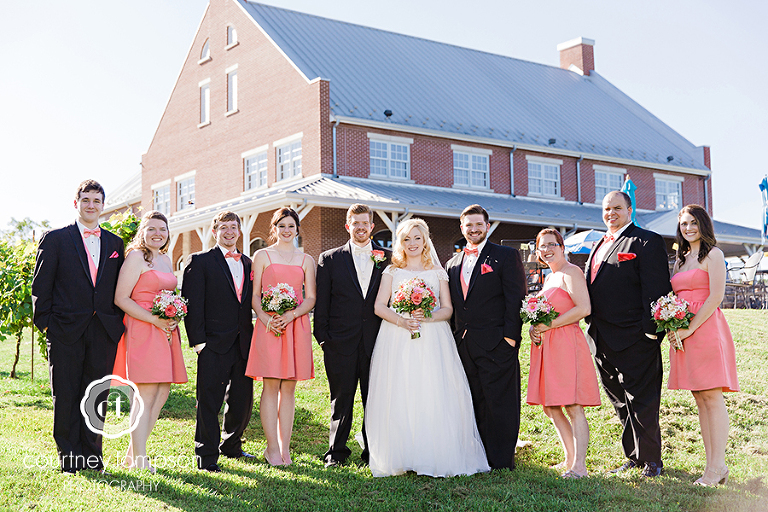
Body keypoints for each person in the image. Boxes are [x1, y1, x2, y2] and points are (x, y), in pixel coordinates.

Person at [367, 218, 490, 477]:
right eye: (406, 239)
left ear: (425, 241)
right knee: (402, 391)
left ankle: (433, 453)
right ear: (400, 243)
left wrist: (427, 317)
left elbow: (447, 309)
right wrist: (402, 320)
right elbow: (379, 306)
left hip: (433, 338)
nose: (412, 243)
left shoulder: (437, 272)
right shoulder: (391, 271)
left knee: (432, 390)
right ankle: (403, 453)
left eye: (417, 238)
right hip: (397, 338)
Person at [32, 179, 125, 474]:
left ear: (103, 205)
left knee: (96, 394)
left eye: (97, 201)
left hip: (103, 331)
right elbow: (40, 286)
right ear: (76, 203)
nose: (91, 205)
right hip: (65, 330)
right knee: (67, 392)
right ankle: (70, 456)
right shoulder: (56, 239)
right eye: (86, 200)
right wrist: (46, 324)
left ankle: (92, 455)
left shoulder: (114, 243)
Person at [585, 191, 672, 477]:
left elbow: (657, 289)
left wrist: (650, 334)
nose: (611, 213)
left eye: (617, 208)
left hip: (636, 338)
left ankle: (652, 460)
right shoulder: (599, 243)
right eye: (607, 208)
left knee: (643, 401)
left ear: (630, 209)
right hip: (602, 339)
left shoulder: (646, 241)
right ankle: (633, 456)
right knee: (620, 401)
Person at [445, 204, 527, 471]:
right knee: (473, 399)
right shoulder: (452, 263)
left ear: (487, 226)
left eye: (478, 224)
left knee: (500, 402)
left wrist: (510, 340)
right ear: (462, 228)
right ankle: (479, 455)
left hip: (497, 343)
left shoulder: (505, 256)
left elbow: (515, 299)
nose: (474, 229)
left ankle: (502, 460)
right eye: (468, 225)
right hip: (464, 345)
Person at [314, 204, 391, 467]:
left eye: (365, 223)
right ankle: (336, 453)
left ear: (371, 226)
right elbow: (322, 302)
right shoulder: (330, 258)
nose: (360, 228)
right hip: (339, 342)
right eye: (355, 223)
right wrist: (323, 338)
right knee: (341, 399)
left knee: (375, 398)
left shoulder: (388, 257)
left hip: (377, 341)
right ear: (348, 226)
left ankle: (373, 452)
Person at [668, 204, 739, 486]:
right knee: (699, 398)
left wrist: (689, 329)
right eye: (684, 224)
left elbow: (715, 297)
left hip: (705, 328)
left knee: (712, 396)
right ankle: (712, 466)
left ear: (703, 225)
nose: (688, 228)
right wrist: (674, 327)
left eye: (694, 223)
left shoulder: (714, 255)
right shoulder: (681, 259)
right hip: (683, 333)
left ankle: (717, 466)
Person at [112, 211, 188, 472]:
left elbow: (169, 294)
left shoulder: (166, 260)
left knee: (161, 392)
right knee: (145, 394)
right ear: (142, 232)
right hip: (143, 328)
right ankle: (140, 461)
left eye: (163, 229)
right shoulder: (135, 257)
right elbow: (121, 298)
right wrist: (153, 320)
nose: (158, 234)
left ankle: (133, 455)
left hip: (166, 330)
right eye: (152, 229)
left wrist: (173, 315)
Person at [182, 211, 255, 472]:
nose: (229, 232)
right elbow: (192, 303)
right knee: (209, 401)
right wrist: (199, 343)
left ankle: (232, 445)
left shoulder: (248, 263)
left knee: (242, 400)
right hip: (212, 343)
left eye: (233, 227)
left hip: (243, 343)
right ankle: (206, 455)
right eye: (223, 227)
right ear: (215, 232)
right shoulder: (200, 261)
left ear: (239, 231)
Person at [527, 229, 600, 479]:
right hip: (548, 346)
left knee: (573, 404)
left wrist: (549, 325)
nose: (546, 250)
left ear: (562, 246)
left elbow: (584, 308)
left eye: (551, 245)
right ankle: (569, 459)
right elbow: (543, 314)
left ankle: (580, 466)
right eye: (542, 246)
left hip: (567, 343)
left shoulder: (572, 272)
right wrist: (533, 327)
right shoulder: (550, 277)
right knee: (551, 406)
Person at [246, 208, 316, 466]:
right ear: (274, 228)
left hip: (295, 326)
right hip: (269, 326)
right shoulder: (262, 255)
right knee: (271, 385)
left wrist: (291, 315)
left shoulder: (306, 259)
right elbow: (254, 295)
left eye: (291, 226)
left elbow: (310, 298)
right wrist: (266, 319)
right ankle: (271, 448)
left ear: (297, 229)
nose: (287, 230)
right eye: (282, 226)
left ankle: (285, 448)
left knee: (289, 388)